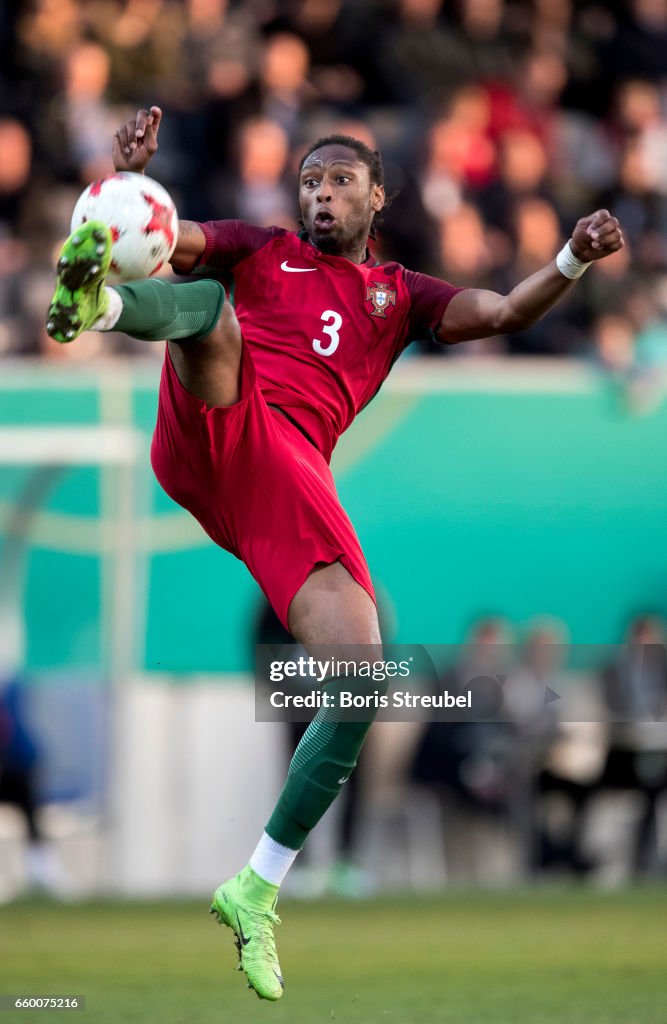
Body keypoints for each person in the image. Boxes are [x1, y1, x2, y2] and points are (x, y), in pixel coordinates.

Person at [45, 106, 624, 1000]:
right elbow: (165, 234)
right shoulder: (260, 250)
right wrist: (122, 185)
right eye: (309, 181)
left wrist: (572, 259)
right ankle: (101, 303)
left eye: (338, 181)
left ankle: (256, 886)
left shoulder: (399, 296)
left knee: (361, 676)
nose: (319, 194)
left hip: (282, 484)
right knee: (209, 313)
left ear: (376, 197)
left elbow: (505, 310)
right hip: (215, 426)